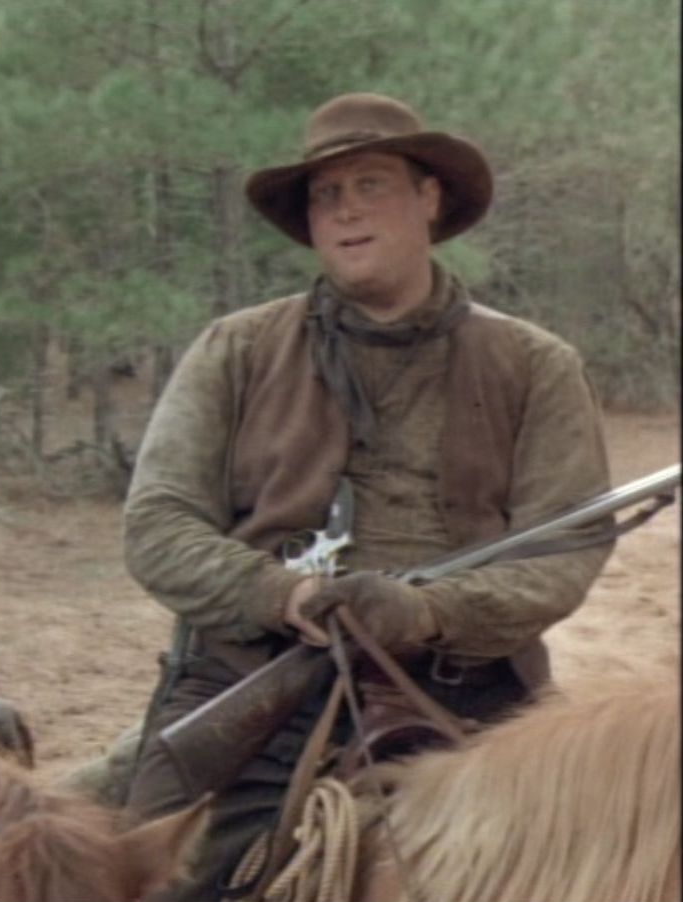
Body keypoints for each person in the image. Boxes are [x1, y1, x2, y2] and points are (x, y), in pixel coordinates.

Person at [121, 92, 613, 901]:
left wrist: (426, 612)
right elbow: (156, 525)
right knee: (151, 875)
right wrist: (281, 594)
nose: (345, 210)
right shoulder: (234, 349)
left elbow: (563, 552)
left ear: (429, 199)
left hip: (467, 688)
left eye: (370, 185)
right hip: (253, 679)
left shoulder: (536, 365)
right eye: (326, 195)